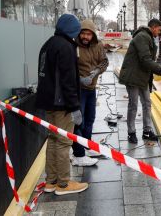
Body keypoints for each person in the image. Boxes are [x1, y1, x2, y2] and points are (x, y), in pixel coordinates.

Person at [36, 14, 89, 195]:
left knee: (52, 140)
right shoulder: (66, 47)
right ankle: (64, 184)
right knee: (63, 142)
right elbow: (67, 81)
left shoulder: (48, 44)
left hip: (48, 102)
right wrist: (74, 107)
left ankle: (51, 181)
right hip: (62, 104)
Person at [119, 19, 161, 144]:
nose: (160, 32)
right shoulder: (142, 37)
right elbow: (145, 59)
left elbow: (146, 61)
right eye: (159, 30)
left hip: (142, 76)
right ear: (154, 27)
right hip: (133, 76)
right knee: (133, 105)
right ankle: (131, 132)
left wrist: (160, 71)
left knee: (147, 103)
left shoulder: (147, 37)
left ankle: (147, 131)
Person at [70, 20, 109, 167]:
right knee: (79, 121)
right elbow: (68, 68)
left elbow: (104, 61)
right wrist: (80, 79)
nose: (86, 36)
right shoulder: (74, 46)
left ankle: (87, 146)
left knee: (90, 119)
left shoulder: (98, 45)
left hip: (91, 87)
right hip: (79, 89)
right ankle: (78, 153)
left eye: (89, 34)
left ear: (93, 34)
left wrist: (96, 72)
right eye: (83, 33)